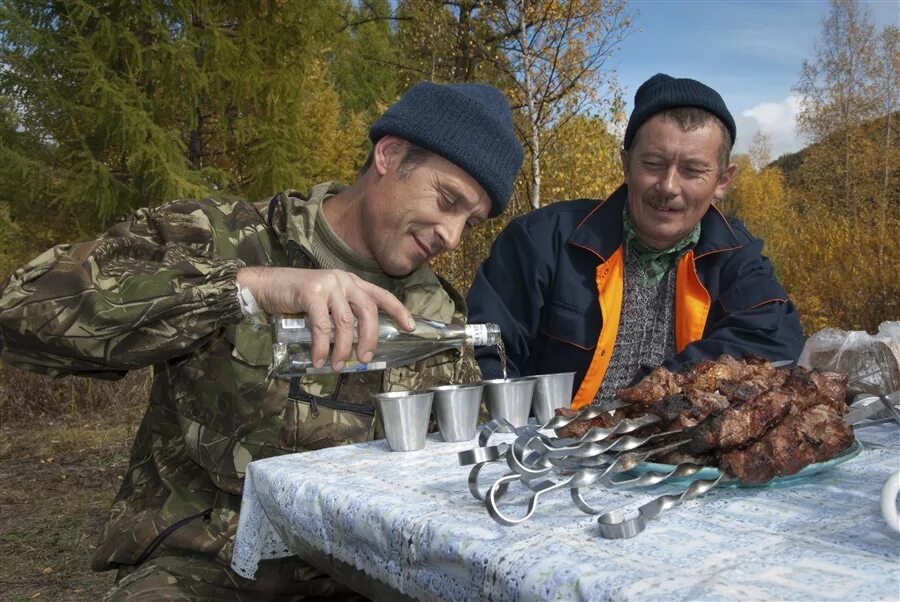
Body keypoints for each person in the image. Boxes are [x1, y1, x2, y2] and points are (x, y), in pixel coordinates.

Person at [0, 81, 523, 600]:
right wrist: (247, 288)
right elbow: (23, 313)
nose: (452, 236)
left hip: (364, 577)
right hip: (205, 569)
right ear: (389, 155)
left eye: (469, 222)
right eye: (447, 200)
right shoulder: (221, 235)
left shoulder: (436, 313)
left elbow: (454, 468)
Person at [466, 73, 804, 410]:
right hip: (552, 452)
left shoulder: (737, 256)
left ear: (722, 180)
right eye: (653, 164)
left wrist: (661, 389)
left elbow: (774, 341)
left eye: (692, 170)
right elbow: (484, 349)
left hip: (678, 454)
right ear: (626, 164)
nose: (669, 186)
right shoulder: (543, 240)